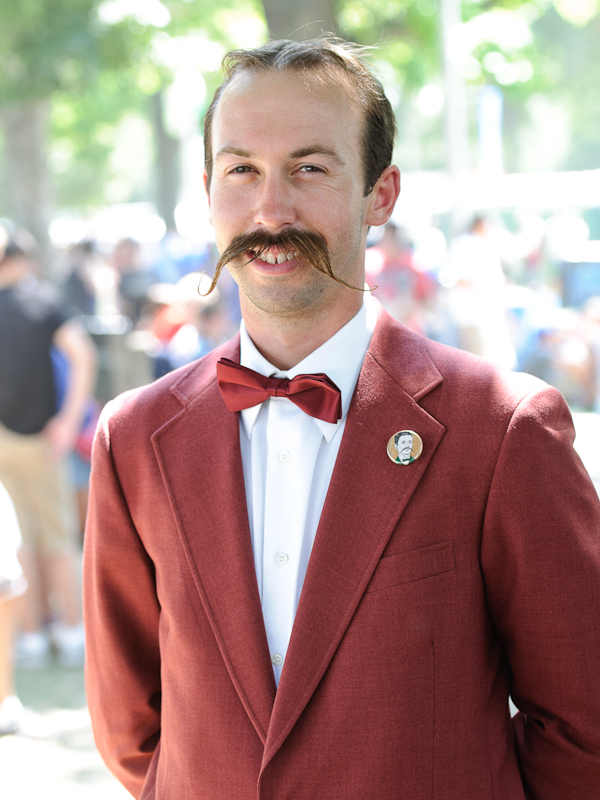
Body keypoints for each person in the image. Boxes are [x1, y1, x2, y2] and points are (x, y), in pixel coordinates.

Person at [84, 38, 600, 800]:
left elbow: (584, 728)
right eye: (242, 170)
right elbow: (131, 731)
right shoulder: (133, 438)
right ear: (207, 189)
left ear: (381, 193)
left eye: (310, 168)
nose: (271, 208)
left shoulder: (504, 428)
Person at [0, 237, 97, 668]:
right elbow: (84, 356)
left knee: (19, 542)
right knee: (57, 538)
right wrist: (69, 420)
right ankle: (73, 633)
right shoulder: (43, 300)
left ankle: (34, 635)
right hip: (44, 438)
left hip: (9, 438)